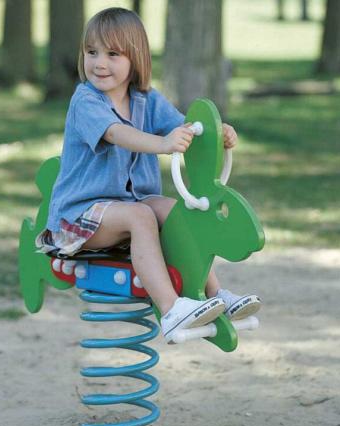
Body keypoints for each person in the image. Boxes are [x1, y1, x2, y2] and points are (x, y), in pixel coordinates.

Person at [36, 7, 260, 343]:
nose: (99, 63)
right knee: (141, 215)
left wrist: (217, 134)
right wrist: (163, 144)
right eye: (92, 52)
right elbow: (116, 133)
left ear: (135, 58)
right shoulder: (85, 101)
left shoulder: (146, 100)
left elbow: (188, 128)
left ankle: (216, 294)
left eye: (113, 54)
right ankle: (171, 309)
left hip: (125, 206)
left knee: (176, 211)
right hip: (78, 218)